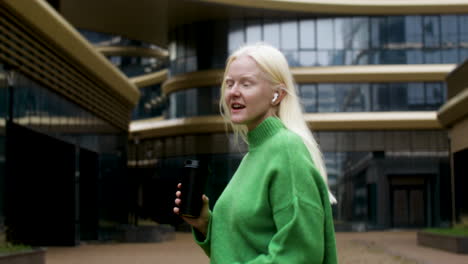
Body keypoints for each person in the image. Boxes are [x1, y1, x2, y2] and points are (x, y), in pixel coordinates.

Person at [174, 43, 338, 264]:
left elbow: (300, 255)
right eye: (229, 83)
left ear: (277, 94)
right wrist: (205, 224)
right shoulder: (254, 155)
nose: (233, 92)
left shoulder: (286, 149)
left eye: (246, 83)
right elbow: (240, 249)